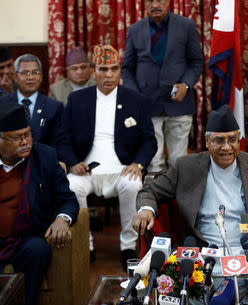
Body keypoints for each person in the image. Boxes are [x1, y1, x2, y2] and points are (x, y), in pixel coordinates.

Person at [132, 105, 248, 276]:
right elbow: (150, 191)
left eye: (232, 140)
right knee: (194, 280)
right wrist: (146, 210)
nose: (227, 147)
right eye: (219, 140)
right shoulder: (186, 167)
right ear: (207, 142)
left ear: (239, 139)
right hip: (202, 251)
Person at [57, 45, 157, 269]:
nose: (109, 75)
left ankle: (128, 246)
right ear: (94, 71)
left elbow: (149, 140)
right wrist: (72, 163)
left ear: (120, 70)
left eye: (114, 68)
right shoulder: (77, 99)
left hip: (121, 168)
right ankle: (86, 244)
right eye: (103, 69)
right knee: (72, 186)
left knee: (133, 184)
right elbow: (62, 138)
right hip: (86, 170)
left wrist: (138, 164)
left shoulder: (135, 100)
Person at [0, 103, 79, 305]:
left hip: (25, 239)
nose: (25, 142)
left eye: (27, 134)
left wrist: (62, 219)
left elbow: (67, 199)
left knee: (39, 249)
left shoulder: (44, 157)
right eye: (17, 138)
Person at [122, 0, 204, 172]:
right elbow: (127, 69)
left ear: (169, 2)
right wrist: (135, 97)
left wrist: (186, 85)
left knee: (178, 161)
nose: (155, 4)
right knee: (153, 162)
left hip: (179, 103)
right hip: (147, 106)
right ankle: (155, 198)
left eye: (160, 0)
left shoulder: (186, 25)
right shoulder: (135, 30)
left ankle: (178, 198)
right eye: (150, 1)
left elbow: (196, 62)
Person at [0, 54, 64, 147]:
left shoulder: (54, 107)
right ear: (15, 77)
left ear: (41, 76)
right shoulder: (2, 104)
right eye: (25, 73)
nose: (31, 77)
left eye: (35, 72)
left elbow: (60, 142)